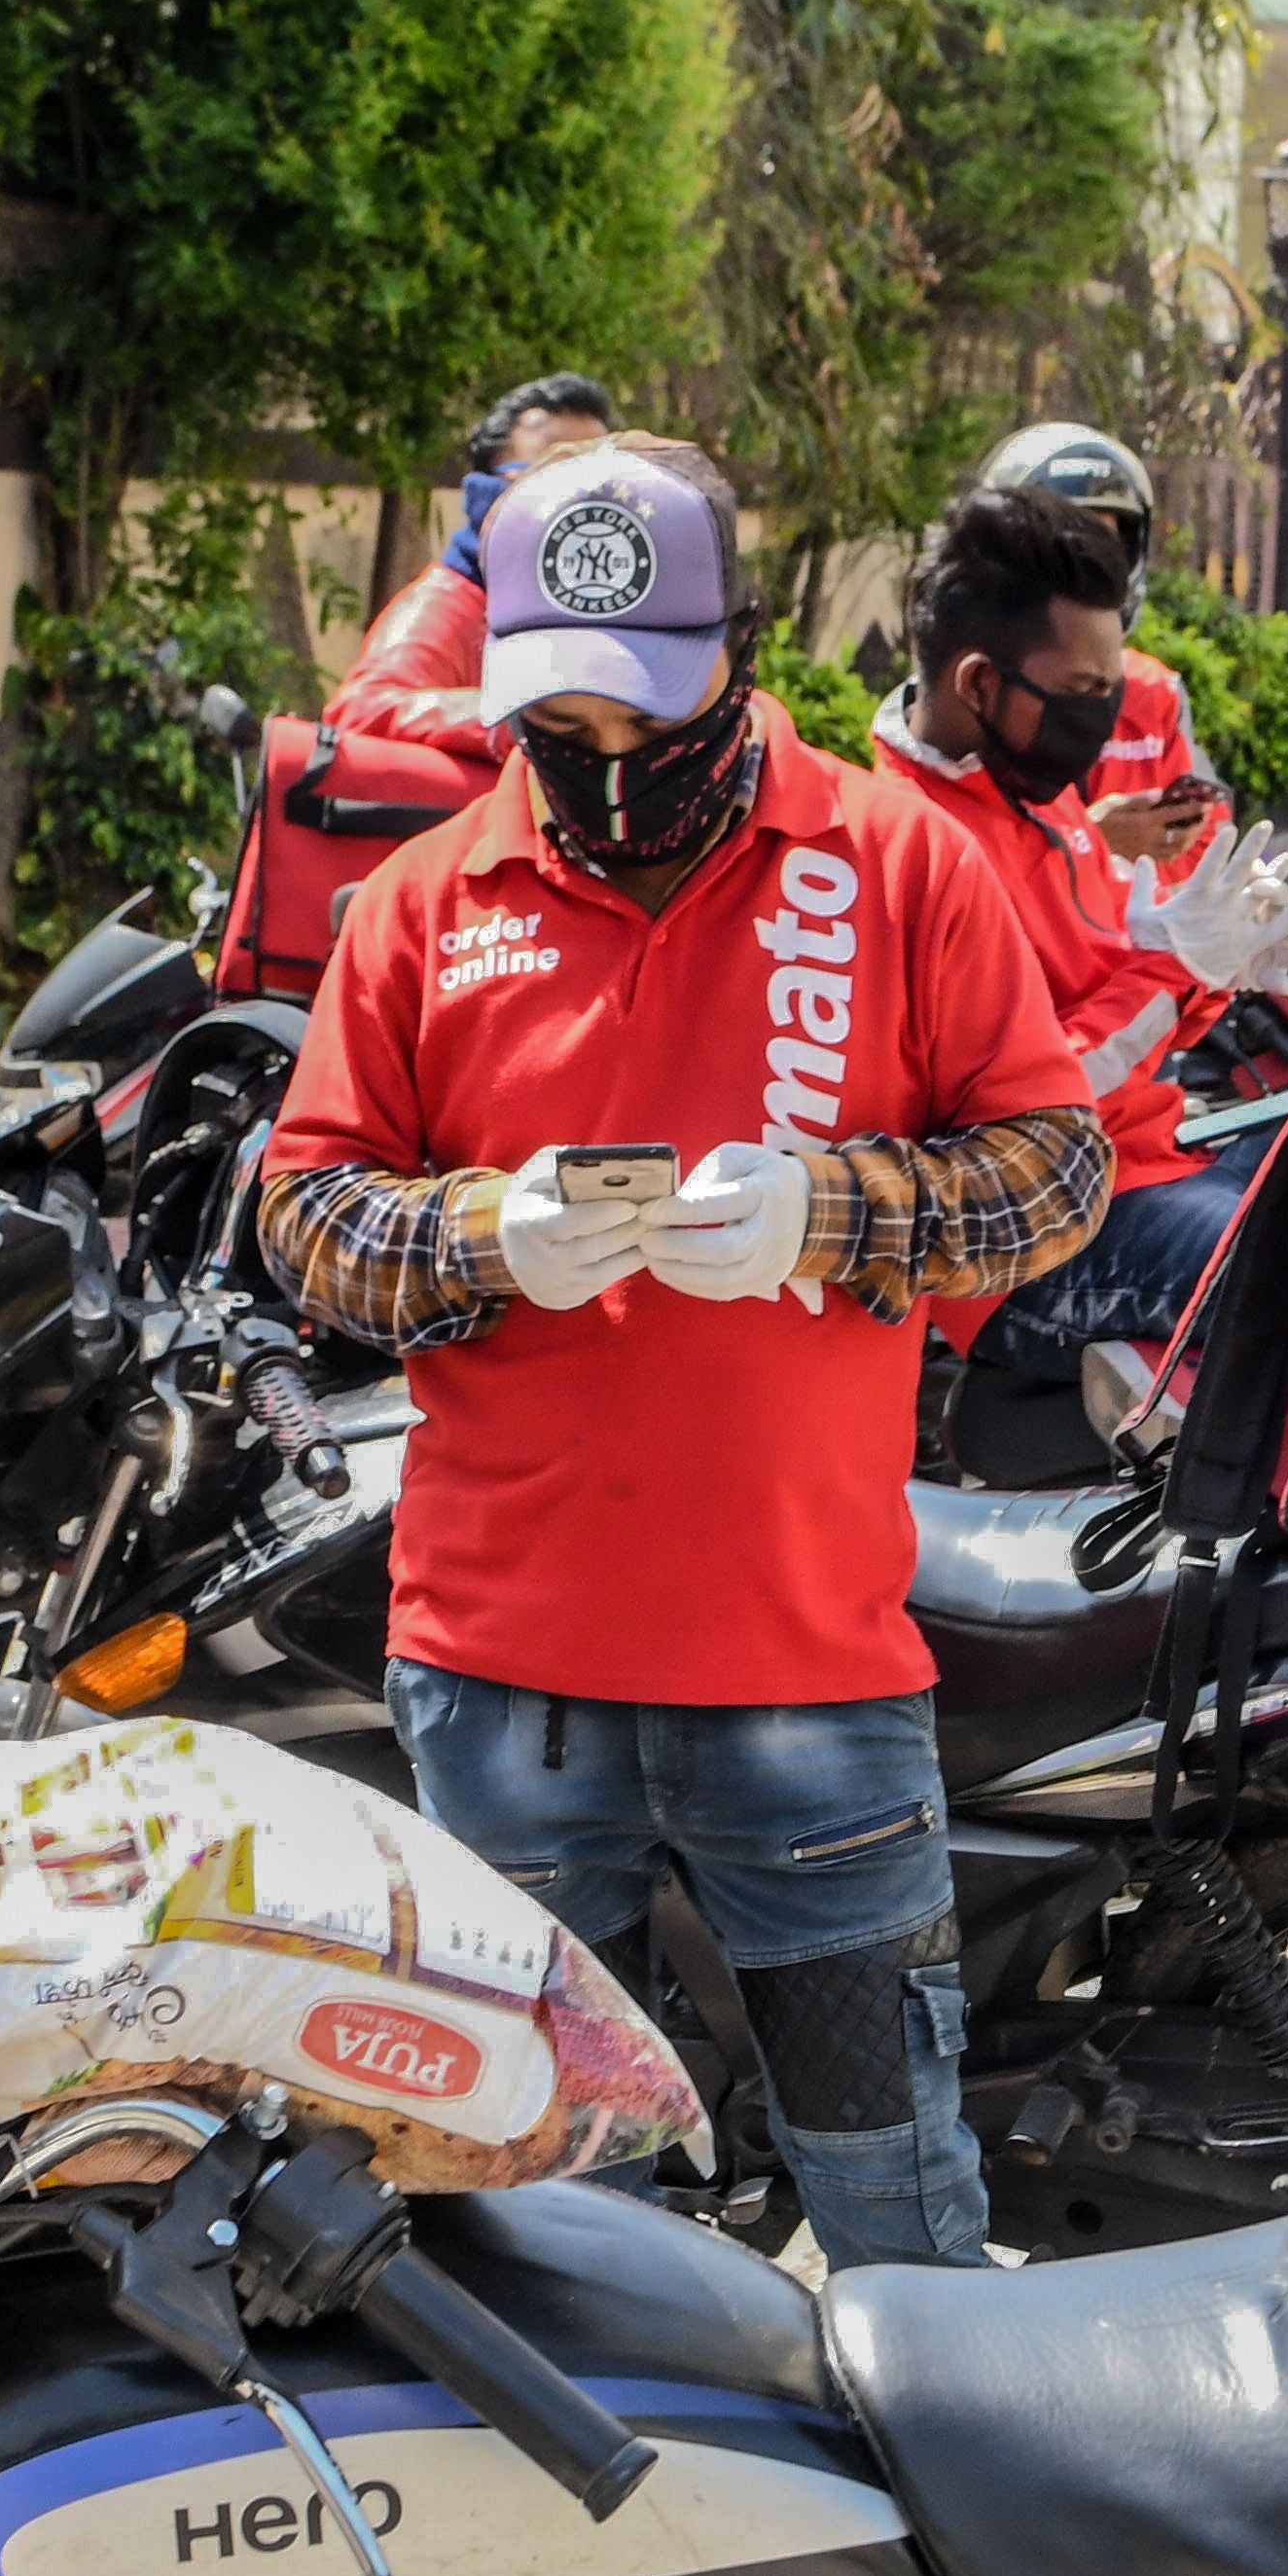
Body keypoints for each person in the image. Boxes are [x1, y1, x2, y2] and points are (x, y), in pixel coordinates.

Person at [253, 438, 1104, 2266]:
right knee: (562, 2241)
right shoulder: (424, 903)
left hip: (805, 1676)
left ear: (742, 644)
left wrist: (836, 1209)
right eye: (555, 711)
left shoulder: (895, 865)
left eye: (645, 706)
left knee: (895, 2204)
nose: (604, 755)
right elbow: (307, 1219)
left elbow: (1057, 1172)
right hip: (502, 1682)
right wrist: (489, 1231)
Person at [866, 481, 1288, 1388]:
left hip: (1141, 1161)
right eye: (1083, 692)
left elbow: (1102, 982)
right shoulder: (904, 849)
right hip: (1026, 1236)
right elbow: (1022, 1110)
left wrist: (1221, 956)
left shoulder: (1036, 792)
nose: (1103, 719)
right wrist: (1176, 970)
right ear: (979, 683)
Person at [973, 418, 1231, 869]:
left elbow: (1208, 845)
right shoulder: (972, 692)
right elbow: (950, 860)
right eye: (1065, 548)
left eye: (1103, 549)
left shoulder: (1155, 695)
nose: (1084, 571)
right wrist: (1091, 843)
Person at [329, 373, 624, 751]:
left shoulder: (605, 607)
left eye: (597, 479)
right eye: (551, 473)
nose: (578, 499)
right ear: (489, 489)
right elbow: (360, 710)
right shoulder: (448, 604)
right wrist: (529, 722)